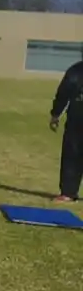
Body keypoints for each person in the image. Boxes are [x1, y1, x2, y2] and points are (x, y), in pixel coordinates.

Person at [49, 51, 83, 203]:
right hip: (76, 122)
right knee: (71, 156)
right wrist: (56, 114)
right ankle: (68, 192)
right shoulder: (75, 71)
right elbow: (63, 93)